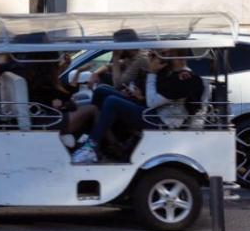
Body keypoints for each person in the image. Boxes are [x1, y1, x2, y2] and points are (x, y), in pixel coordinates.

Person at [70, 50, 204, 164]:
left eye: (166, 54)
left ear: (179, 57)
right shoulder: (170, 73)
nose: (162, 57)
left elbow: (153, 101)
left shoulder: (185, 78)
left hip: (161, 121)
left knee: (112, 101)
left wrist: (152, 73)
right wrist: (140, 95)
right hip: (151, 110)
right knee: (102, 91)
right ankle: (99, 140)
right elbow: (154, 98)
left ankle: (91, 146)